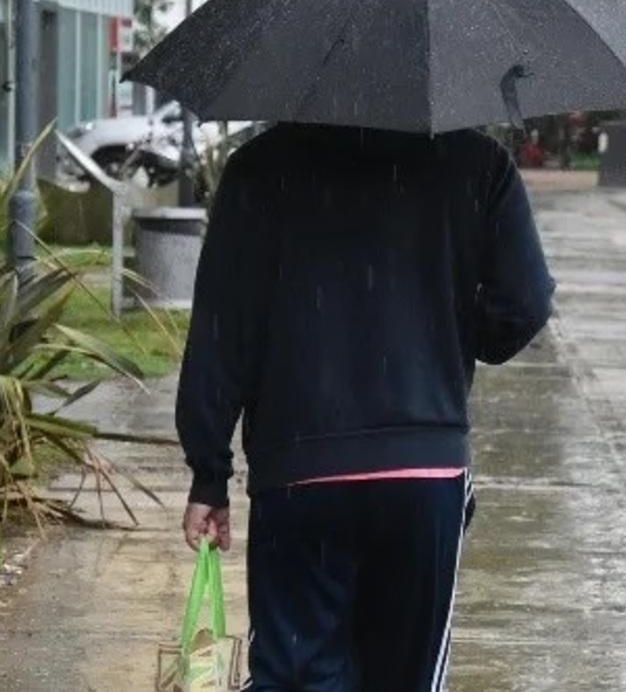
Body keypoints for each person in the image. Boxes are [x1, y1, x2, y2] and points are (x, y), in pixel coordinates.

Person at [176, 123, 554, 690]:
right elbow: (522, 306)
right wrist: (443, 334)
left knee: (298, 677)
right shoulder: (477, 162)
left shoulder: (260, 166)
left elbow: (222, 332)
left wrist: (209, 473)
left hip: (300, 471)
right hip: (422, 470)